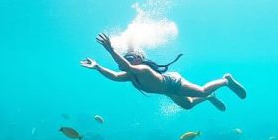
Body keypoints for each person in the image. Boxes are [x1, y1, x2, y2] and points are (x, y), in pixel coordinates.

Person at [81, 33, 246, 111]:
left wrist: (111, 49)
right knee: (188, 105)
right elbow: (115, 76)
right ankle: (211, 98)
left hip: (173, 82)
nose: (127, 60)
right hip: (167, 91)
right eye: (127, 57)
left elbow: (128, 66)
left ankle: (226, 81)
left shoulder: (142, 69)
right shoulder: (129, 75)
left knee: (201, 91)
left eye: (131, 58)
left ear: (138, 60)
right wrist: (97, 67)